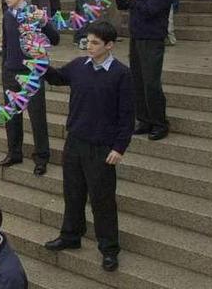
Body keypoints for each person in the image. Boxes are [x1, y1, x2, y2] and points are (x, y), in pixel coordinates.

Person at [42, 21, 134, 272]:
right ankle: (71, 235)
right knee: (72, 192)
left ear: (109, 45)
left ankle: (109, 248)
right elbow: (58, 78)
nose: (89, 46)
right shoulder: (79, 66)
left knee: (102, 200)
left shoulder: (121, 74)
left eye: (95, 42)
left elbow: (126, 116)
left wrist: (119, 148)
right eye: (88, 41)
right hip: (75, 142)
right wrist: (39, 63)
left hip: (102, 147)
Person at [0, 0, 59, 175]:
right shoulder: (7, 15)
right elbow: (7, 44)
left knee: (37, 117)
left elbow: (55, 38)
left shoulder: (34, 13)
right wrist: (5, 68)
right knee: (11, 116)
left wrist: (45, 21)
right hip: (10, 71)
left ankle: (41, 157)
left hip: (32, 72)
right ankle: (14, 152)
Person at [116, 0, 174, 141]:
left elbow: (149, 10)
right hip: (137, 36)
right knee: (138, 81)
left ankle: (159, 122)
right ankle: (144, 119)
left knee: (151, 83)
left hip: (152, 38)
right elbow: (124, 4)